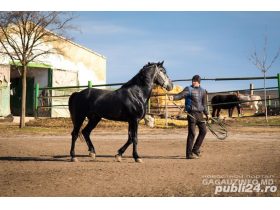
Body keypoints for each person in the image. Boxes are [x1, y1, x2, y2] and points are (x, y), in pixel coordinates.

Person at [169, 75, 210, 159]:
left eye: (195, 81)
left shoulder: (203, 91)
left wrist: (207, 113)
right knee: (192, 133)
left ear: (198, 82)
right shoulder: (188, 89)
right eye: (192, 80)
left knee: (204, 131)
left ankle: (195, 149)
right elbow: (181, 95)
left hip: (200, 114)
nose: (193, 82)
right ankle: (189, 154)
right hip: (191, 114)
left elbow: (204, 104)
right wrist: (173, 97)